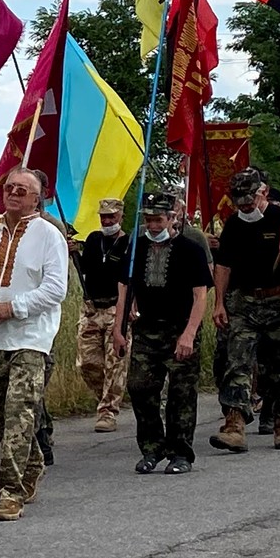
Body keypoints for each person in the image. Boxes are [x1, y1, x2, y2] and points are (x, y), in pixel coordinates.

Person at [0, 169, 70, 520]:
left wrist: (14, 308)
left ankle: (9, 493)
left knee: (19, 410)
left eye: (23, 190)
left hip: (30, 337)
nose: (14, 193)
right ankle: (31, 459)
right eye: (9, 188)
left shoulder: (49, 235)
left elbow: (55, 289)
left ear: (37, 198)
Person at [209, 168, 280, 452]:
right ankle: (235, 425)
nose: (245, 206)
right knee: (236, 362)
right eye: (239, 201)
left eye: (249, 199)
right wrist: (219, 304)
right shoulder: (233, 226)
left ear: (261, 192)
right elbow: (223, 266)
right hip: (244, 303)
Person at [116, 191, 212, 475]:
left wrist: (189, 334)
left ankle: (180, 452)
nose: (153, 226)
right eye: (148, 220)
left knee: (181, 393)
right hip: (147, 329)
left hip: (180, 327)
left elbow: (200, 295)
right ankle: (151, 448)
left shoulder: (190, 249)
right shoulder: (136, 249)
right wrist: (118, 329)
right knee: (140, 387)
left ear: (172, 219)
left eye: (158, 220)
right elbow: (123, 289)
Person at [73, 197, 130, 432]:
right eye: (104, 217)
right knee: (87, 362)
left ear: (120, 217)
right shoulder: (95, 240)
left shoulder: (129, 244)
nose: (107, 221)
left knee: (115, 362)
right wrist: (74, 252)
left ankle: (108, 411)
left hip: (116, 307)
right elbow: (85, 269)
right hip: (91, 308)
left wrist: (130, 310)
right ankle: (107, 396)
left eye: (112, 217)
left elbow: (129, 280)